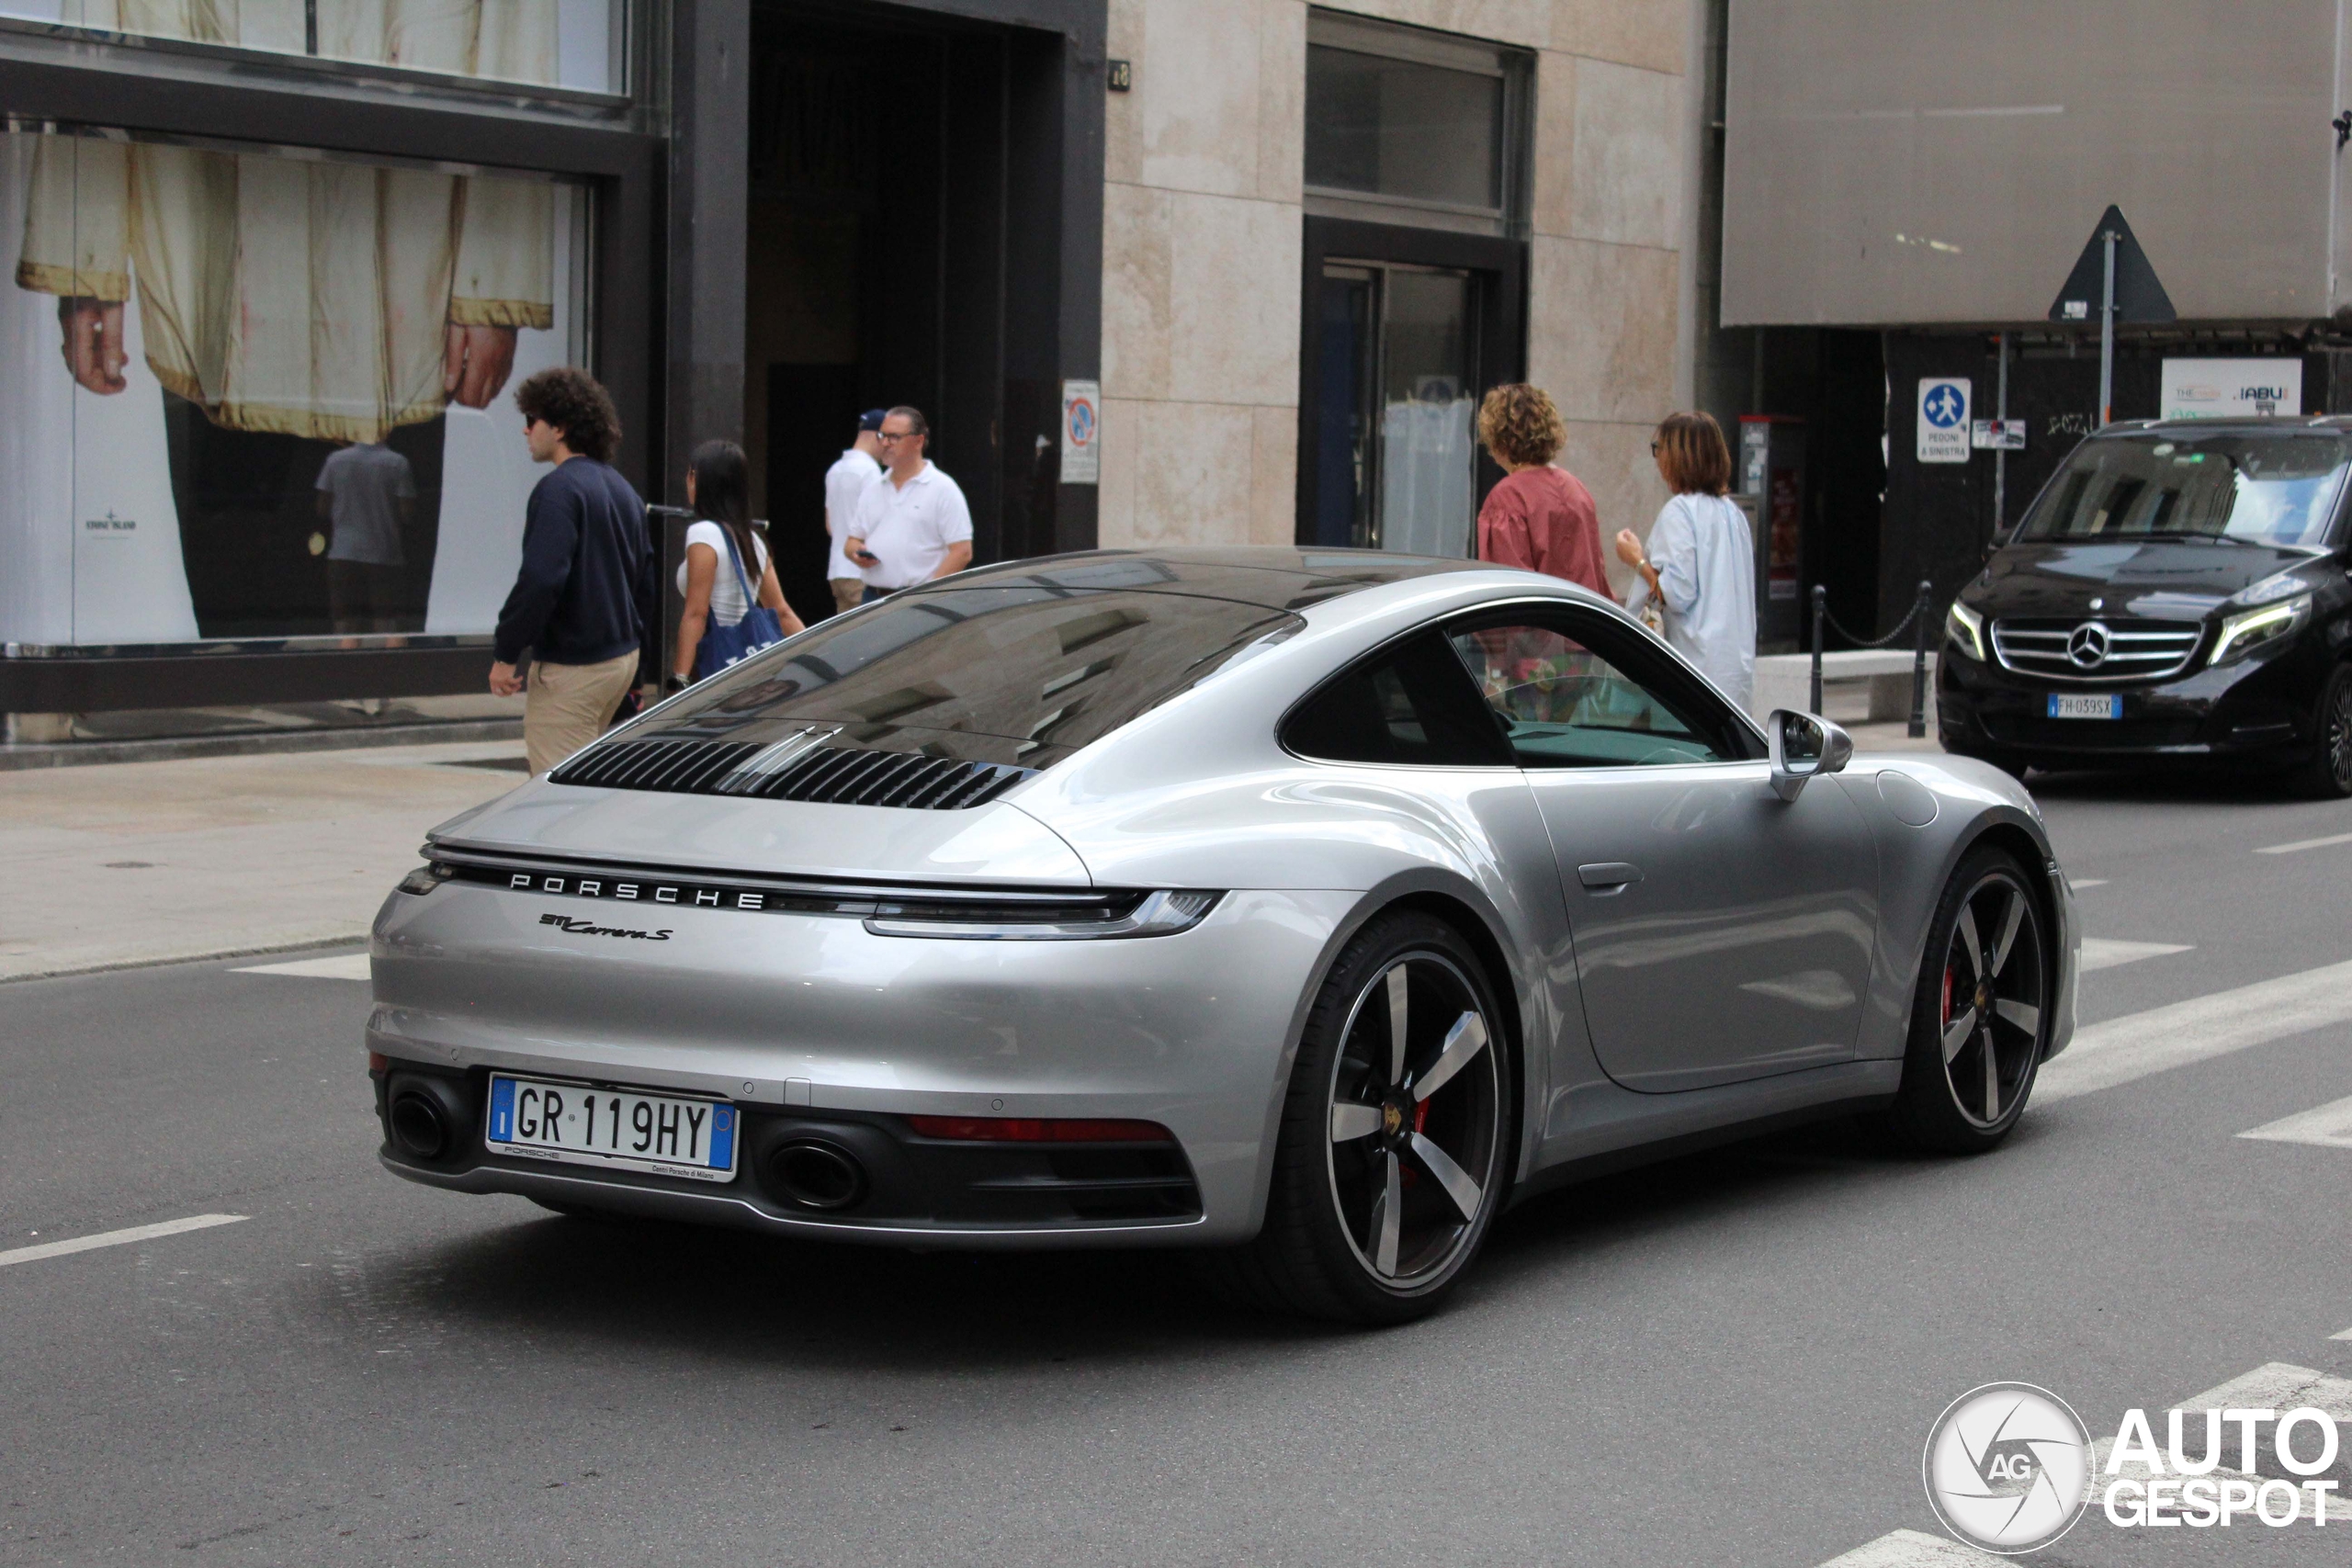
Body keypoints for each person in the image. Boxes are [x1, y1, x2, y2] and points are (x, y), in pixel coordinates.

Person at [491, 367, 656, 776]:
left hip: (573, 666)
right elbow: (645, 584)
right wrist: (640, 669)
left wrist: (506, 652)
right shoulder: (623, 490)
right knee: (587, 782)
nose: (525, 431)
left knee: (554, 791)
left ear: (560, 427)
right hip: (620, 660)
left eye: (532, 420)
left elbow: (542, 579)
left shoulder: (559, 490)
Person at [1614, 412, 1757, 714]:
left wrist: (1636, 559)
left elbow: (1677, 594)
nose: (1657, 458)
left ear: (1676, 456)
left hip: (1694, 669)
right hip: (1734, 669)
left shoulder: (1680, 512)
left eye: (1659, 448)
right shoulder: (1733, 515)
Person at [669, 439, 804, 691]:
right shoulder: (752, 539)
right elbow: (782, 611)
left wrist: (679, 679)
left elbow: (697, 614)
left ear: (695, 478)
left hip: (713, 665)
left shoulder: (704, 534)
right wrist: (816, 655)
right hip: (749, 666)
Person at [1473, 383, 1610, 597]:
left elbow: (1508, 591)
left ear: (1499, 438)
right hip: (1585, 626)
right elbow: (1598, 578)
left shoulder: (1507, 498)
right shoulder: (1577, 489)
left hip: (1538, 629)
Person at [844, 406, 973, 602]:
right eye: (882, 435)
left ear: (918, 441)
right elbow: (852, 541)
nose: (885, 443)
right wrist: (857, 553)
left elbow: (962, 551)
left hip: (918, 599)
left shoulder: (943, 488)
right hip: (872, 597)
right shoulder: (873, 488)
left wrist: (927, 594)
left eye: (894, 437)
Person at [315, 441, 417, 645]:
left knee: (347, 626)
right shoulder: (398, 463)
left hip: (343, 553)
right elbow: (408, 513)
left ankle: (348, 674)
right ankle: (396, 674)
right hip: (385, 554)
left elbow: (321, 508)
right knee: (390, 625)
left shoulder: (335, 461)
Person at [823, 411, 888, 617]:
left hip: (837, 571)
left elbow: (830, 525)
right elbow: (876, 525)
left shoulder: (835, 470)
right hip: (861, 572)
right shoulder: (871, 472)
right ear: (878, 436)